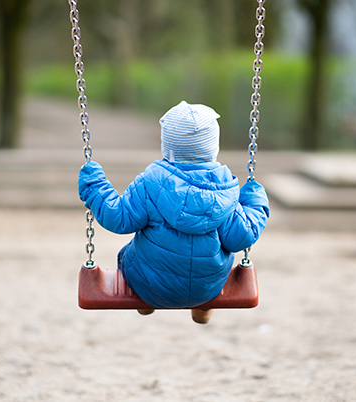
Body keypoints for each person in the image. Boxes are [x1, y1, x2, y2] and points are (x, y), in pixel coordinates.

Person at [78, 101, 270, 324]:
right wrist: (254, 198)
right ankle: (202, 308)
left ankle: (146, 302)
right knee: (212, 262)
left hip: (148, 283)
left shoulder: (151, 182)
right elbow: (242, 236)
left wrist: (95, 186)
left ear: (166, 146)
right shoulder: (225, 189)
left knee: (127, 254)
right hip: (207, 286)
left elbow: (118, 218)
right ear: (213, 148)